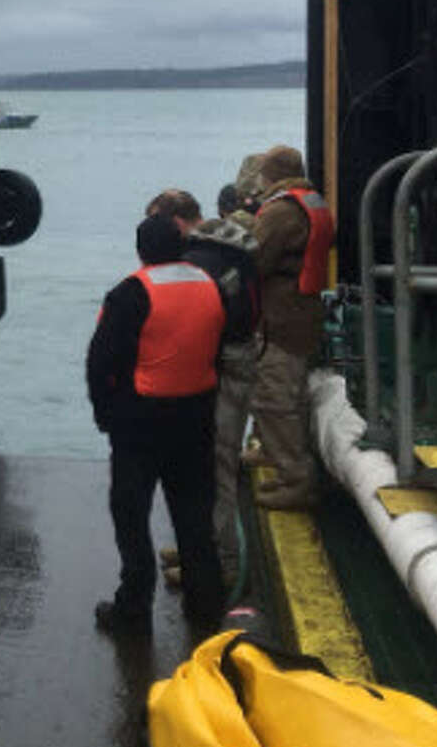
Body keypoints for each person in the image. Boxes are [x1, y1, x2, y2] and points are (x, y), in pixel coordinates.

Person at [86, 213, 227, 638]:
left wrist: (105, 415)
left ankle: (133, 608)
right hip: (197, 417)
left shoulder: (130, 294)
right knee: (195, 517)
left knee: (131, 515)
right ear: (182, 247)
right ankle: (206, 607)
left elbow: (101, 363)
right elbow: (218, 348)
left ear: (141, 250)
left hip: (140, 424)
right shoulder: (210, 286)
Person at [144, 188, 260, 593]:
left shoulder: (197, 264)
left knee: (216, 465)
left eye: (157, 222)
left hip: (223, 367)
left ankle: (221, 567)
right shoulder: (225, 246)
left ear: (176, 222)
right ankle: (200, 548)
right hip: (238, 358)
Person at [249, 144, 335, 510]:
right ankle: (272, 451)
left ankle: (296, 480)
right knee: (290, 393)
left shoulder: (281, 211)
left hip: (281, 318)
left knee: (275, 397)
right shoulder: (312, 201)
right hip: (303, 311)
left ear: (270, 176)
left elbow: (255, 259)